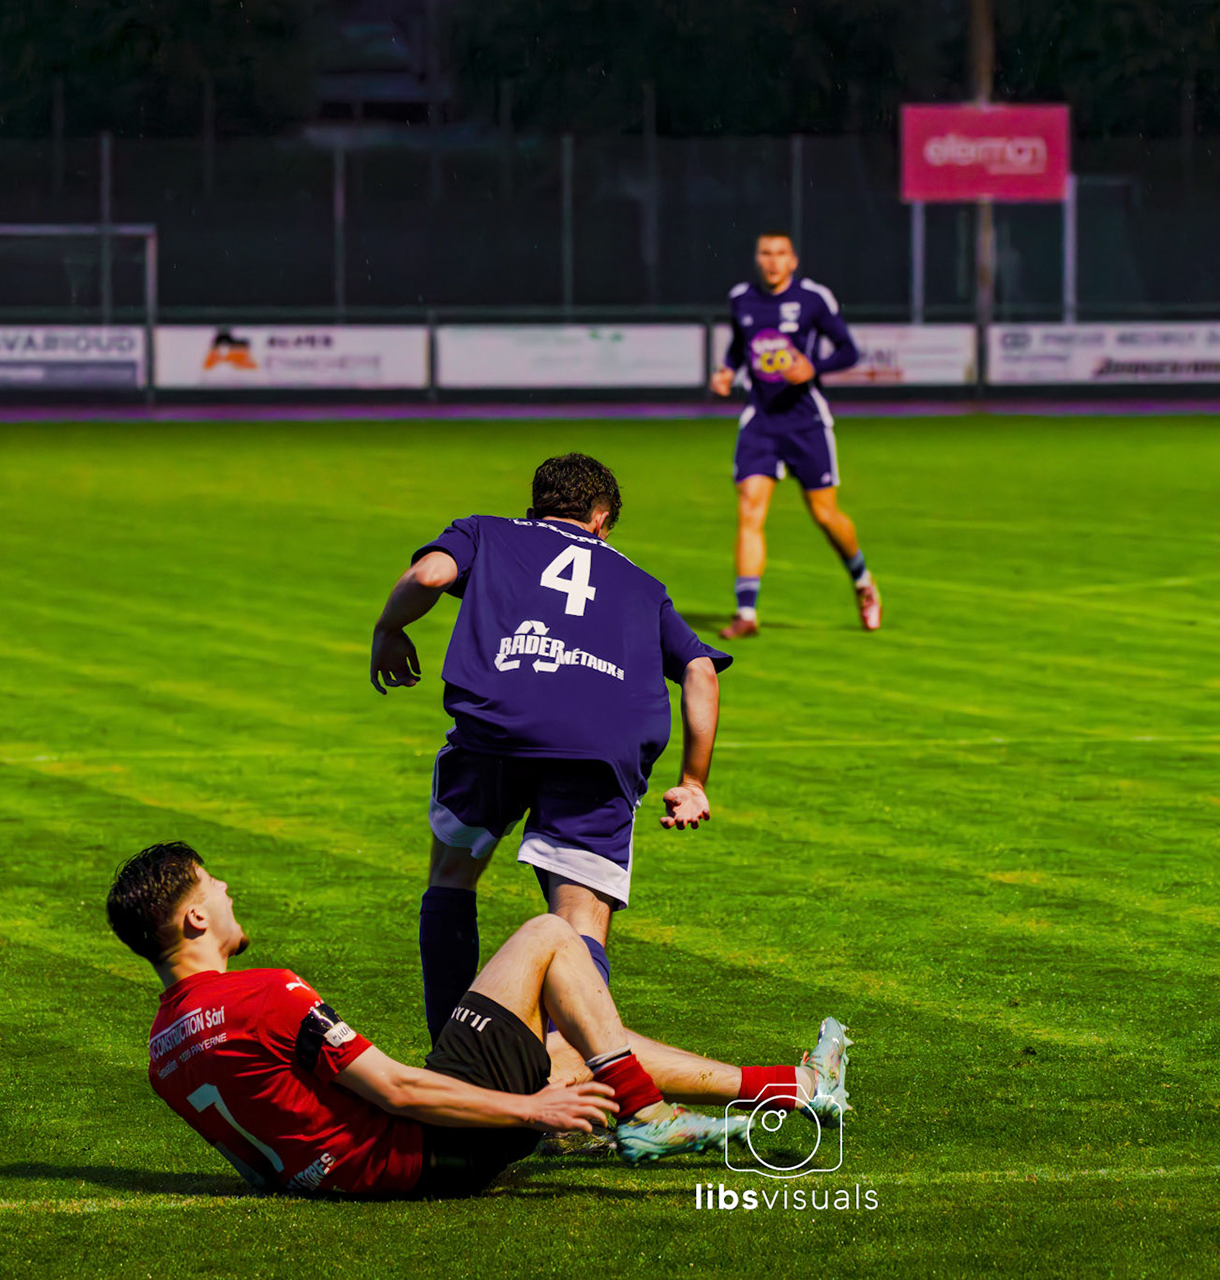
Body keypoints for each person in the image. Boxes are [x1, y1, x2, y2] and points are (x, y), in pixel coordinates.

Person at [109, 841, 852, 1196]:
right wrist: (529, 1109)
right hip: (426, 1155)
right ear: (196, 915)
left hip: (366, 1174)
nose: (229, 886)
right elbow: (396, 1091)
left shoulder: (161, 1054)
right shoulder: (262, 992)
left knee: (572, 1047)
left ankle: (796, 1088)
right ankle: (648, 1113)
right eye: (214, 882)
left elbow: (256, 1161)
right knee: (548, 937)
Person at [369, 454, 732, 1043]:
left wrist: (389, 630)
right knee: (579, 920)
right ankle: (573, 1096)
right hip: (601, 746)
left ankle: (452, 1066)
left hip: (496, 729)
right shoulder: (642, 584)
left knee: (453, 878)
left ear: (535, 509)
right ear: (601, 519)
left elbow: (430, 576)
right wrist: (693, 780)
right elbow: (699, 670)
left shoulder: (487, 530)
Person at [710, 231, 881, 639]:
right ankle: (746, 614)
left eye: (780, 254)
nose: (772, 261)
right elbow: (740, 345)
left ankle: (862, 581)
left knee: (825, 515)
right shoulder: (742, 299)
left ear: (793, 260)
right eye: (765, 253)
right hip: (761, 420)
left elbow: (848, 350)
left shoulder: (812, 299)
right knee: (750, 509)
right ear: (757, 258)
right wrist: (727, 370)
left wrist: (814, 367)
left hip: (805, 420)